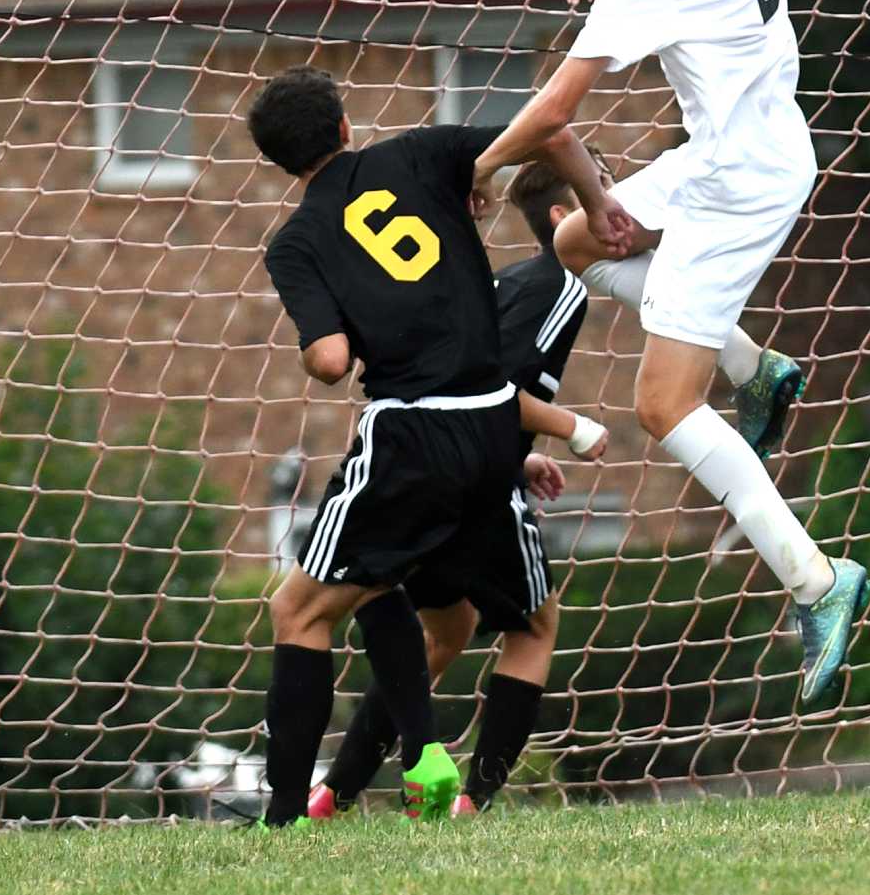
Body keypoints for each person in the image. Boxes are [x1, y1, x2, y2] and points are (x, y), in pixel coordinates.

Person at [479, 0, 869, 708]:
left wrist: (478, 163)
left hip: (738, 183)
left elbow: (559, 105)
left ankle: (819, 582)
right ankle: (759, 371)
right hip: (747, 145)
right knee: (575, 243)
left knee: (661, 405)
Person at [250, 66, 621, 825]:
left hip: (411, 429)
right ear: (347, 124)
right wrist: (598, 202)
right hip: (493, 429)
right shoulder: (418, 153)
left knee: (300, 609)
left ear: (280, 163)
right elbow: (549, 130)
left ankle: (286, 818)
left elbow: (327, 362)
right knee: (422, 592)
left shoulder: (295, 241)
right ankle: (428, 759)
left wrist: (345, 331)